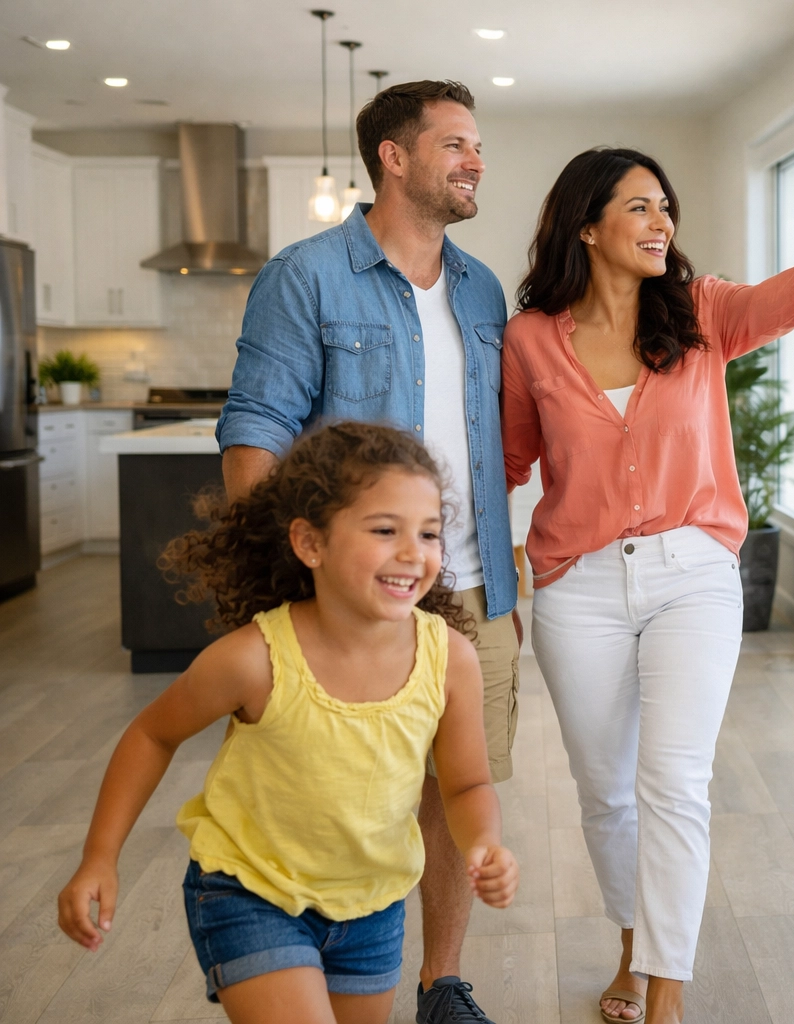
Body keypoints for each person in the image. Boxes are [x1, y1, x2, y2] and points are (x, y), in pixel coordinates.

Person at [500, 146, 794, 1024]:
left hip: (693, 576)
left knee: (674, 782)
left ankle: (668, 994)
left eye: (665, 206)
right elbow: (508, 461)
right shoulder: (530, 340)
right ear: (586, 227)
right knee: (605, 792)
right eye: (639, 207)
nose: (662, 222)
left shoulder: (702, 312)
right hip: (577, 586)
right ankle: (634, 948)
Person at [216, 80, 520, 1023]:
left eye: (478, 146)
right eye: (456, 145)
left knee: (453, 787)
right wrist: (277, 585)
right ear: (394, 156)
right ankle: (293, 966)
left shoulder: (481, 289)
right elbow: (255, 431)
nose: (476, 162)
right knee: (326, 786)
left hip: (471, 584)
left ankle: (442, 984)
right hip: (349, 590)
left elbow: (489, 436)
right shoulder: (306, 276)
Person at [56, 422, 519, 1024]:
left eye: (429, 533)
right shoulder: (255, 659)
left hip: (372, 904)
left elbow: (465, 784)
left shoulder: (450, 658)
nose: (414, 552)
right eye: (385, 530)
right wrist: (99, 856)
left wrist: (483, 843)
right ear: (310, 543)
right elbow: (153, 733)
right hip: (250, 891)